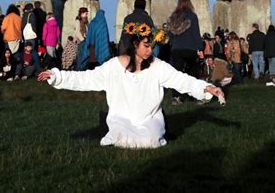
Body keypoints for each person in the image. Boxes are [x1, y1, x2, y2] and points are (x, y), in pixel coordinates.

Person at [37, 22, 224, 149]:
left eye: (152, 46)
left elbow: (181, 80)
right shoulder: (114, 66)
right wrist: (56, 75)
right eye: (146, 46)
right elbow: (86, 79)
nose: (150, 50)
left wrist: (206, 88)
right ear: (135, 44)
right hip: (122, 117)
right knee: (120, 137)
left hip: (149, 117)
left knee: (151, 140)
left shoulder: (157, 66)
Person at [166, 0, 203, 105]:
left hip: (176, 48)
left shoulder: (173, 17)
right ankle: (196, 96)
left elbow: (170, 35)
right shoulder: (192, 16)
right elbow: (196, 33)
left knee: (176, 73)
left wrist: (173, 45)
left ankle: (176, 97)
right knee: (193, 72)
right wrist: (200, 47)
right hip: (190, 48)